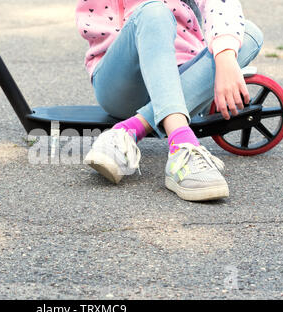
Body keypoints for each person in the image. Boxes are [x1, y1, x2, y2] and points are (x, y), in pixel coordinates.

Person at [77, 0, 264, 201]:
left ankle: (130, 130)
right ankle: (182, 144)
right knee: (154, 12)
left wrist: (225, 54)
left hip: (181, 73)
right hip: (121, 81)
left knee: (249, 34)